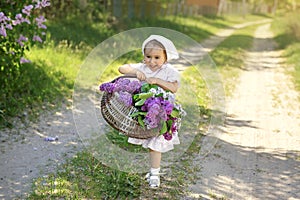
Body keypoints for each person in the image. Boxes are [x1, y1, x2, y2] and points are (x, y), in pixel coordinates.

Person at [118, 35, 180, 188]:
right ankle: (153, 171)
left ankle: (155, 174)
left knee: (155, 144)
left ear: (165, 58)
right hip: (145, 112)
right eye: (148, 57)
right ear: (144, 57)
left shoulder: (168, 71)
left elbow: (174, 87)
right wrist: (135, 72)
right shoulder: (143, 68)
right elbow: (121, 68)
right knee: (148, 142)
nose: (152, 61)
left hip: (162, 113)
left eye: (157, 57)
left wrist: (157, 81)